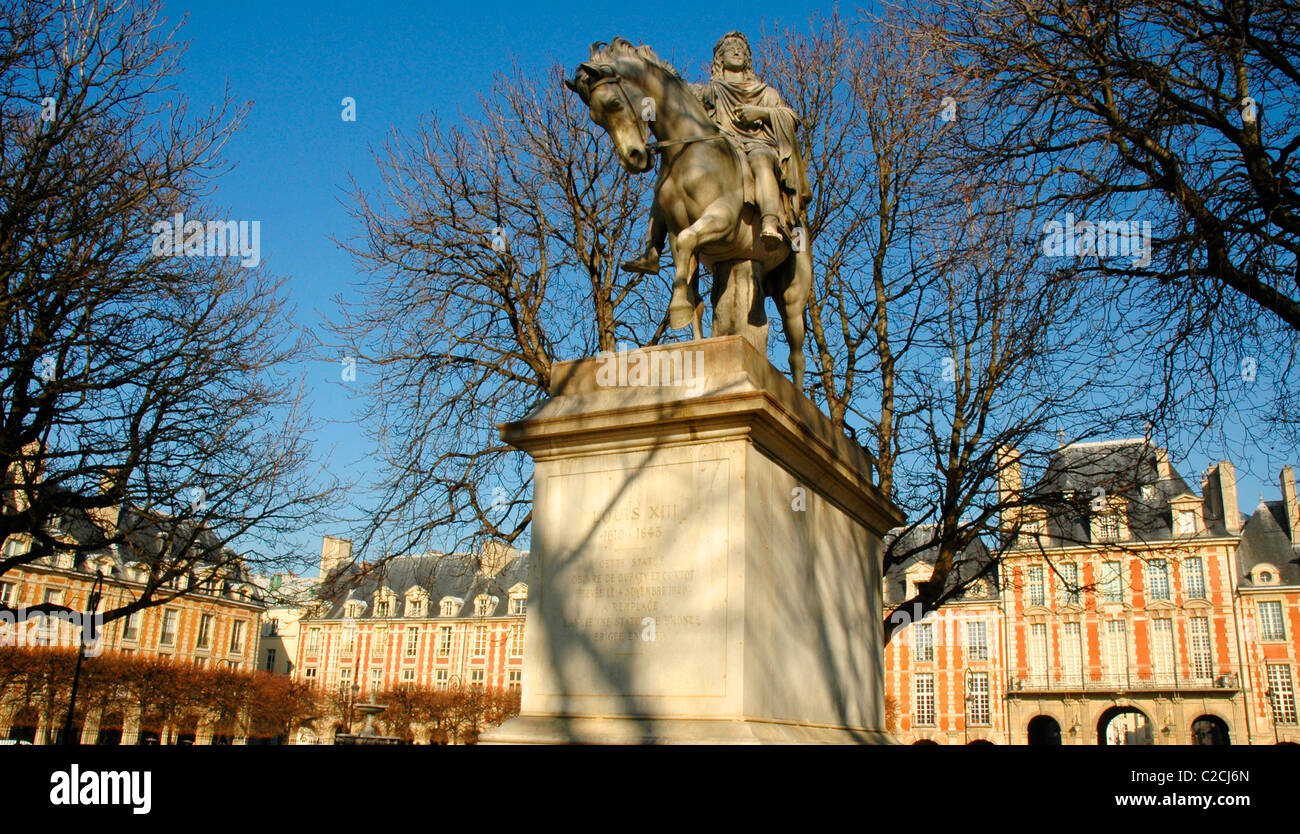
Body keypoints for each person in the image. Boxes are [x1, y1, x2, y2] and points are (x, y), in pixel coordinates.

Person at [623, 31, 812, 275]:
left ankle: (769, 222)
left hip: (756, 145)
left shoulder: (766, 93)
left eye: (742, 48)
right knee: (668, 182)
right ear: (719, 59)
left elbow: (791, 117)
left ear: (748, 59)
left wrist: (761, 113)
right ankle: (652, 249)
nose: (736, 51)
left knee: (761, 160)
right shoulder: (709, 92)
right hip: (722, 152)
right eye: (730, 47)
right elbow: (674, 92)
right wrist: (651, 71)